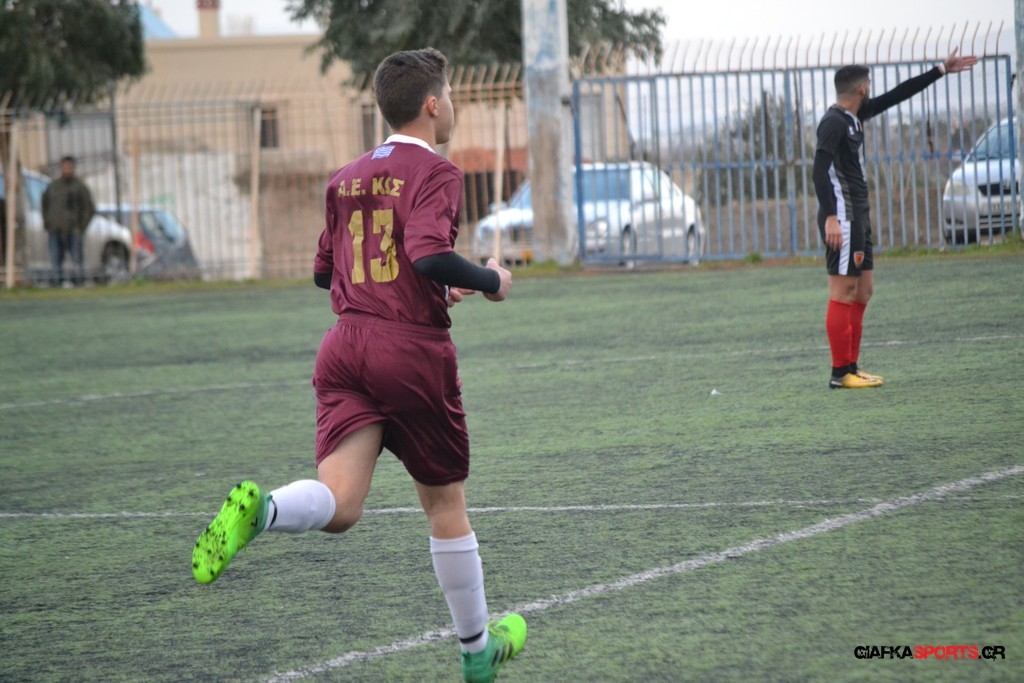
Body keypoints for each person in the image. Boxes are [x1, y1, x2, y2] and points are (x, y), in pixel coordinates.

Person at [191, 48, 525, 683]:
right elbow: (426, 254)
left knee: (341, 506)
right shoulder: (438, 172)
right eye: (451, 95)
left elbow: (328, 273)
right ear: (432, 104)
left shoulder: (344, 178)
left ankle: (263, 511)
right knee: (445, 505)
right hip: (408, 352)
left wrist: (430, 286)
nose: (453, 106)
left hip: (345, 346)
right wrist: (489, 281)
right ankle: (477, 650)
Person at [812, 49, 978, 389]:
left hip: (859, 216)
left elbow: (897, 95)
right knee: (843, 290)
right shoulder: (833, 123)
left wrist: (940, 71)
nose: (872, 89)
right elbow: (818, 170)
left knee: (864, 290)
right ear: (861, 88)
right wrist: (829, 217)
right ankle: (839, 373)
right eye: (869, 84)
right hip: (842, 216)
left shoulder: (854, 116)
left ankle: (852, 367)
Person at [41, 155, 94, 287]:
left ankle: (78, 281)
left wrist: (81, 226)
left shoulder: (79, 186)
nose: (67, 170)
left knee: (77, 258)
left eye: (70, 167)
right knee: (56, 258)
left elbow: (89, 208)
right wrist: (48, 223)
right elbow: (44, 205)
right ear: (61, 167)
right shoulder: (53, 186)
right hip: (55, 229)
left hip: (74, 229)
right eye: (65, 167)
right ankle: (57, 281)